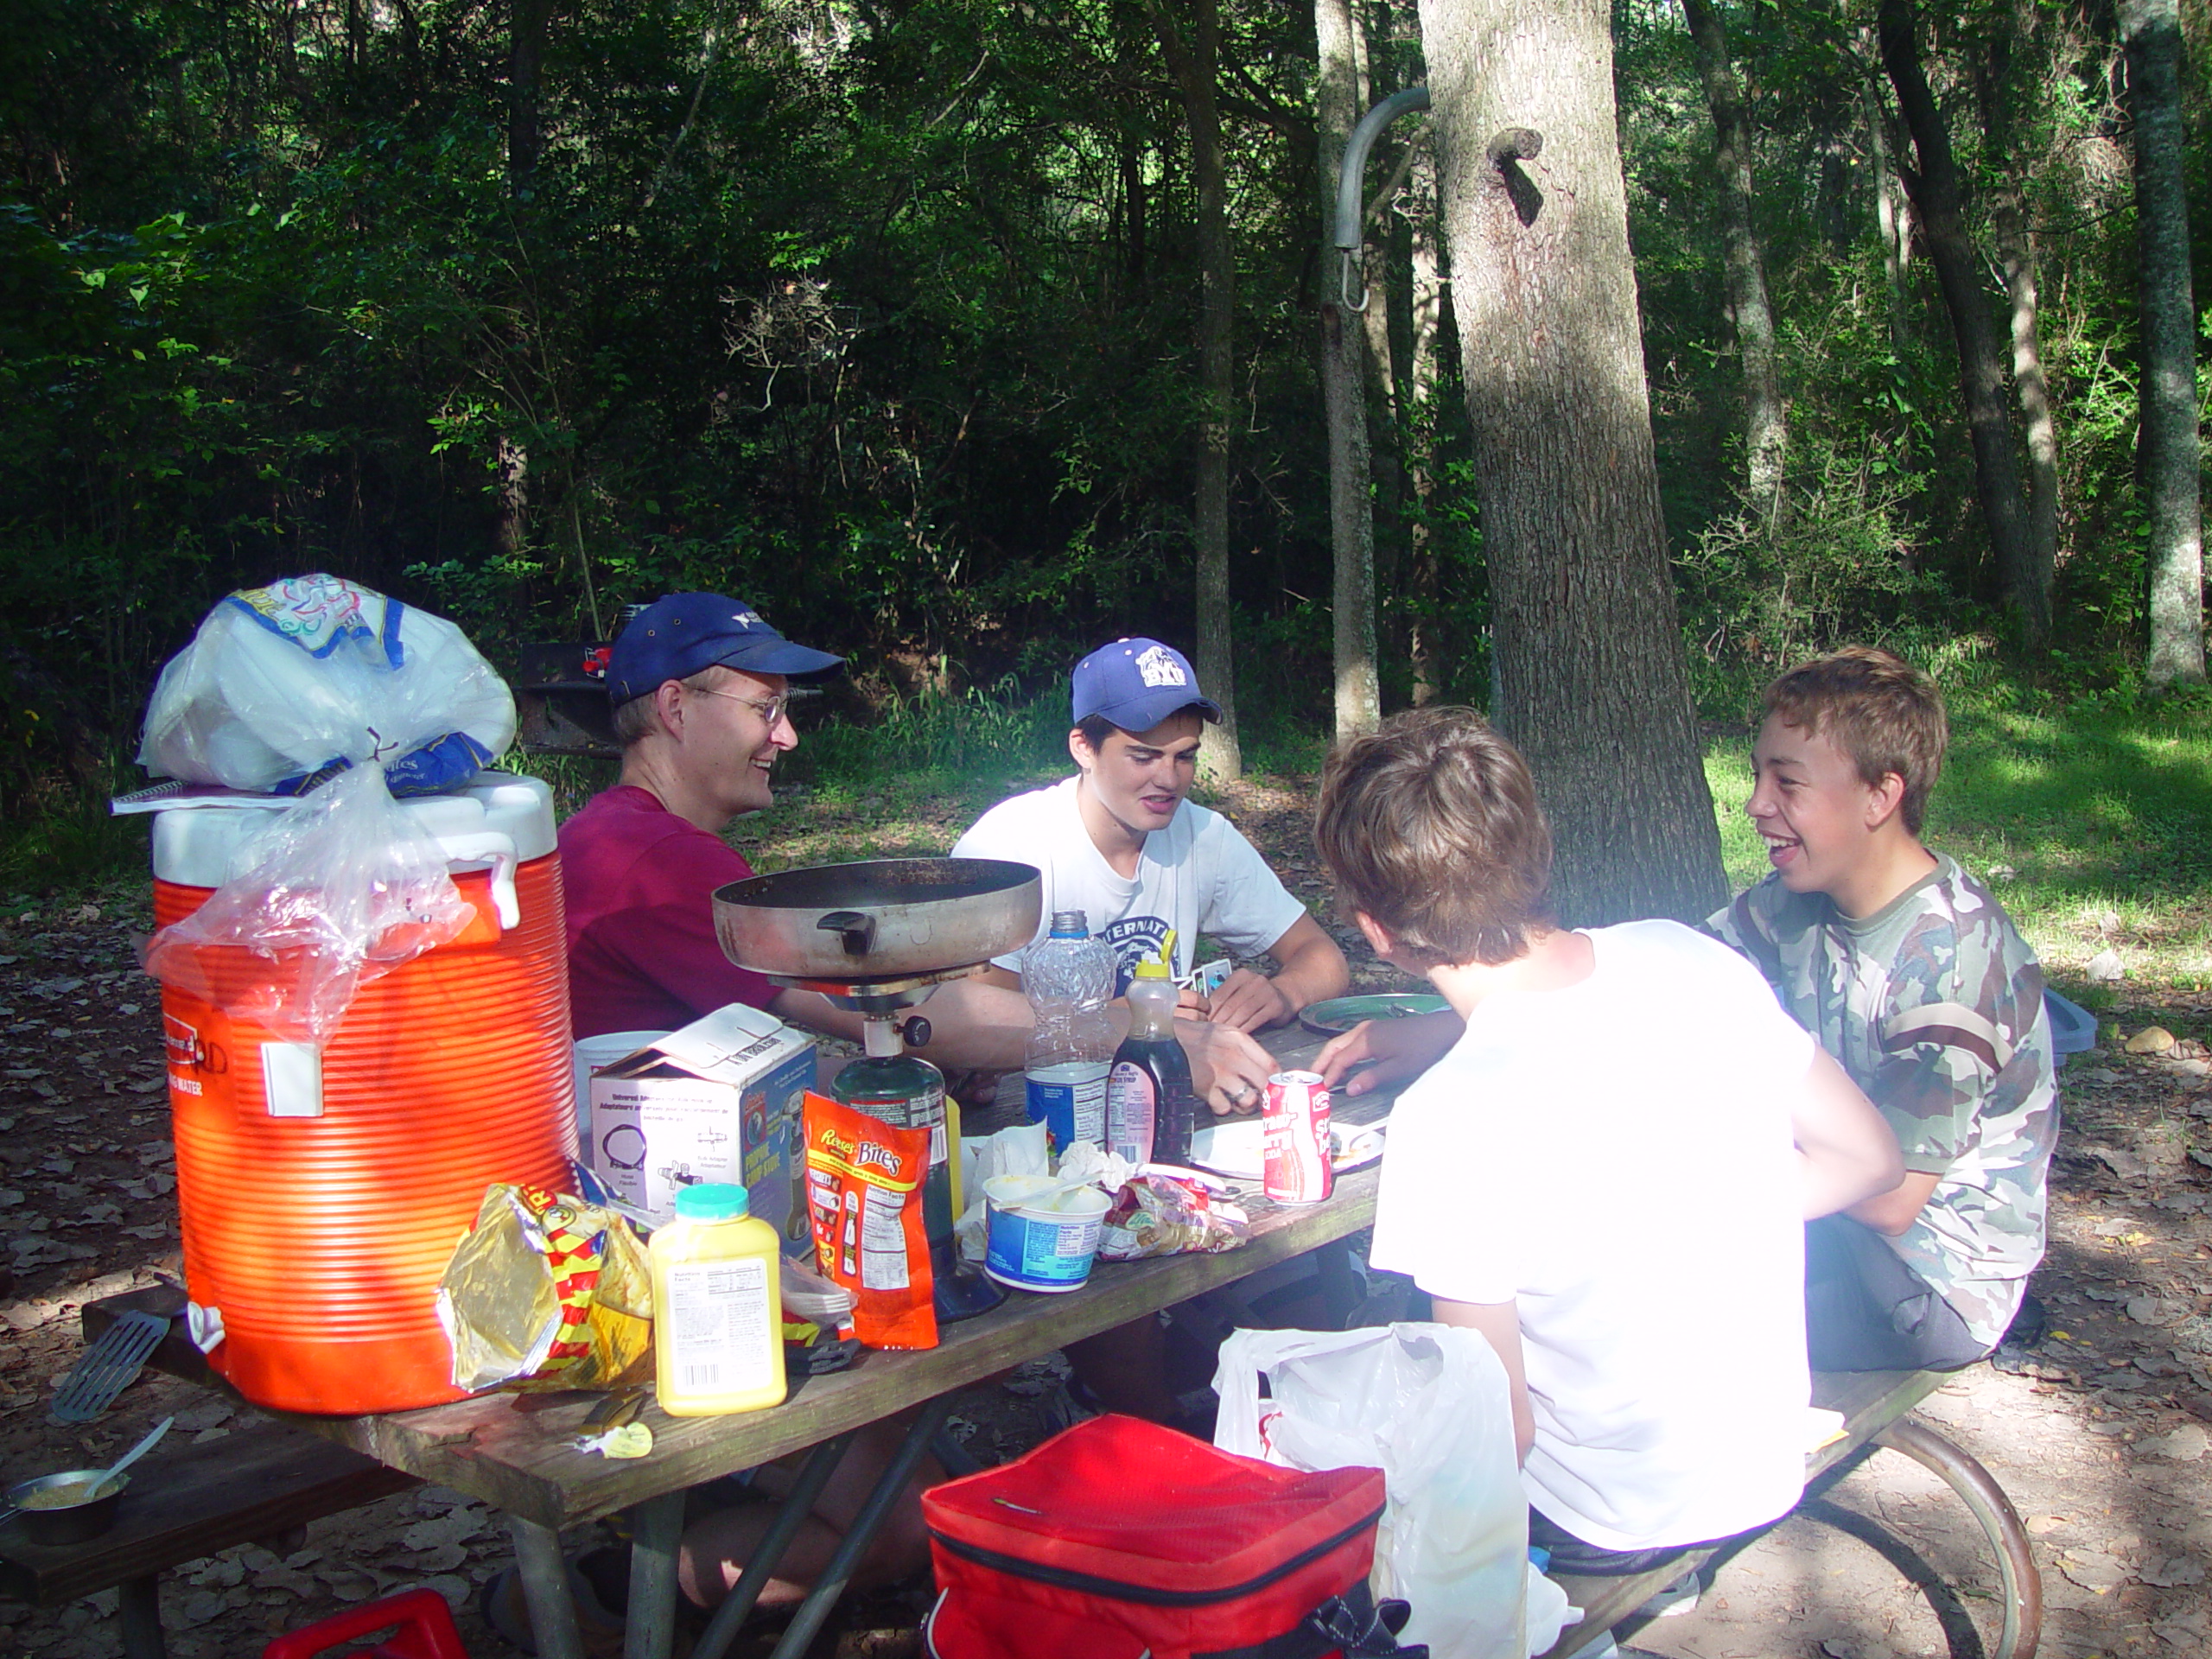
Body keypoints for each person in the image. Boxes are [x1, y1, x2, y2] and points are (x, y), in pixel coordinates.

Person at [1313, 706, 1902, 1603]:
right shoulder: (1686, 955)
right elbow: (1866, 1160)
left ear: (1378, 931)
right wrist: (1695, 1208)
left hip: (1606, 1515)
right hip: (1758, 1455)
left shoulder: (1452, 1117)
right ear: (1535, 849)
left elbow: (1494, 1432)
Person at [1706, 646, 2057, 1371]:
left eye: (1787, 782)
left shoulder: (1954, 965)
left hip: (1924, 1283)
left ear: (1879, 796)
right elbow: (1671, 973)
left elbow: (1888, 1194)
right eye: (1756, 774)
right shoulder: (1800, 903)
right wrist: (1452, 1025)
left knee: (1627, 1314)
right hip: (1834, 1223)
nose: (1756, 804)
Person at [952, 637, 1349, 1078]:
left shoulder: (1203, 837)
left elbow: (1323, 956)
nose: (1169, 779)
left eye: (1186, 757)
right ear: (1084, 747)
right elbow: (969, 1017)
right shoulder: (1009, 849)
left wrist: (1284, 993)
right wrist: (1119, 1023)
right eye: (1144, 756)